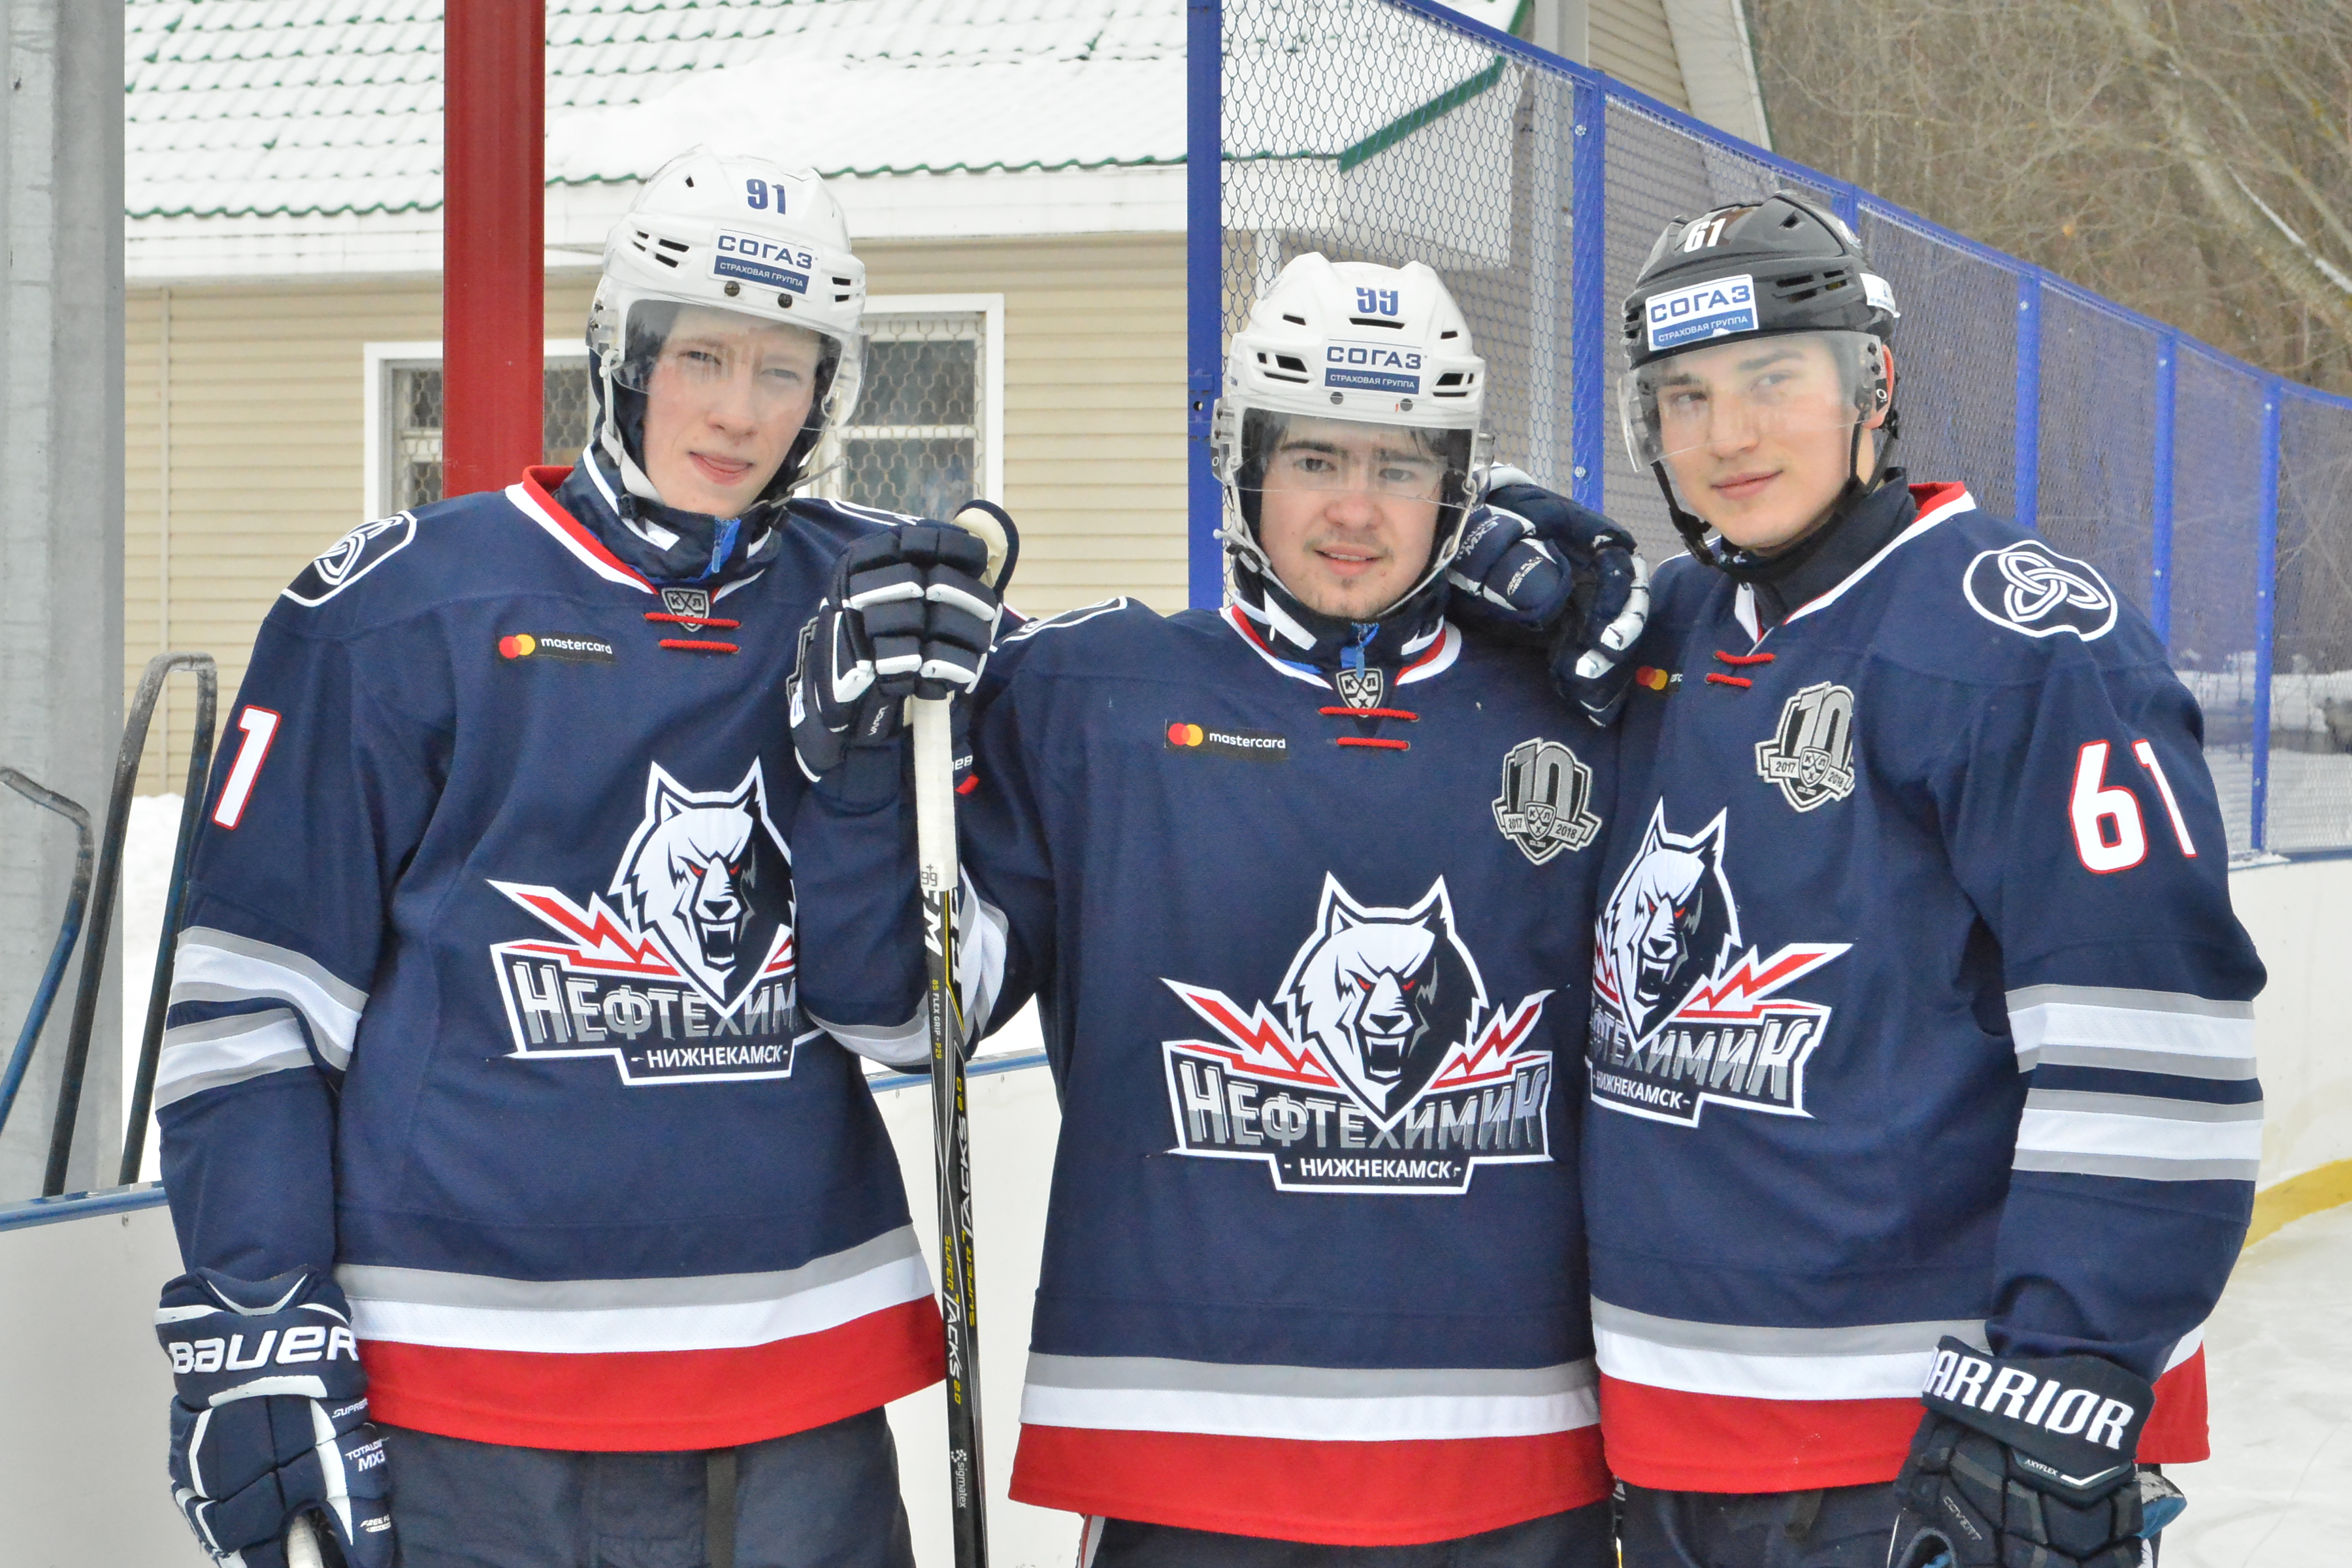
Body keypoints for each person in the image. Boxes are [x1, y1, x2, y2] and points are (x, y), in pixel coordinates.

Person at [150, 146, 1008, 1568]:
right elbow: (253, 1005)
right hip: (468, 1394)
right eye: (702, 357)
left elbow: (938, 997)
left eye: (784, 371)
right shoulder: (399, 609)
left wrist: (881, 761)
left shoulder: (887, 607)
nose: (738, 411)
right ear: (623, 353)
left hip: (794, 1389)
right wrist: (259, 1316)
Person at [787, 253, 1645, 1565]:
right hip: (1186, 1454)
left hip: (1513, 1457)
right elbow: (903, 1017)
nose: (1353, 508)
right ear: (1241, 464)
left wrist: (1647, 615)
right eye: (1314, 458)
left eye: (1401, 465)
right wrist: (857, 776)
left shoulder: (1574, 710)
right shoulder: (1098, 696)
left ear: (1461, 492)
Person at [1585, 193, 2263, 1567]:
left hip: (1925, 1450)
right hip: (1669, 1441)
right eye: (1685, 397)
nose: (1729, 435)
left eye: (1774, 380)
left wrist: (2063, 1387)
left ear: (1872, 387)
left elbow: (2154, 1045)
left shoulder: (2022, 642)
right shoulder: (1662, 633)